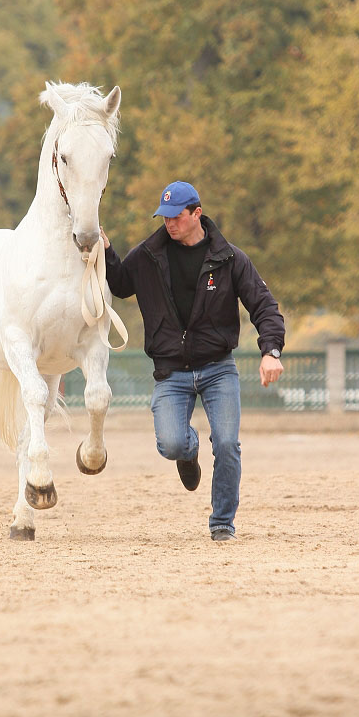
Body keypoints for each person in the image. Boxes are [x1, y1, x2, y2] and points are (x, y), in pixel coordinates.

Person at [101, 180, 285, 542]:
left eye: (176, 216)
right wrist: (106, 250)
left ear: (196, 213)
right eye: (164, 216)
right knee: (171, 444)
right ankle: (189, 451)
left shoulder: (230, 258)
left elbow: (264, 307)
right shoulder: (149, 254)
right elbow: (121, 284)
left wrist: (271, 351)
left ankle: (221, 524)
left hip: (219, 370)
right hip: (171, 372)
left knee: (228, 445)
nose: (169, 223)